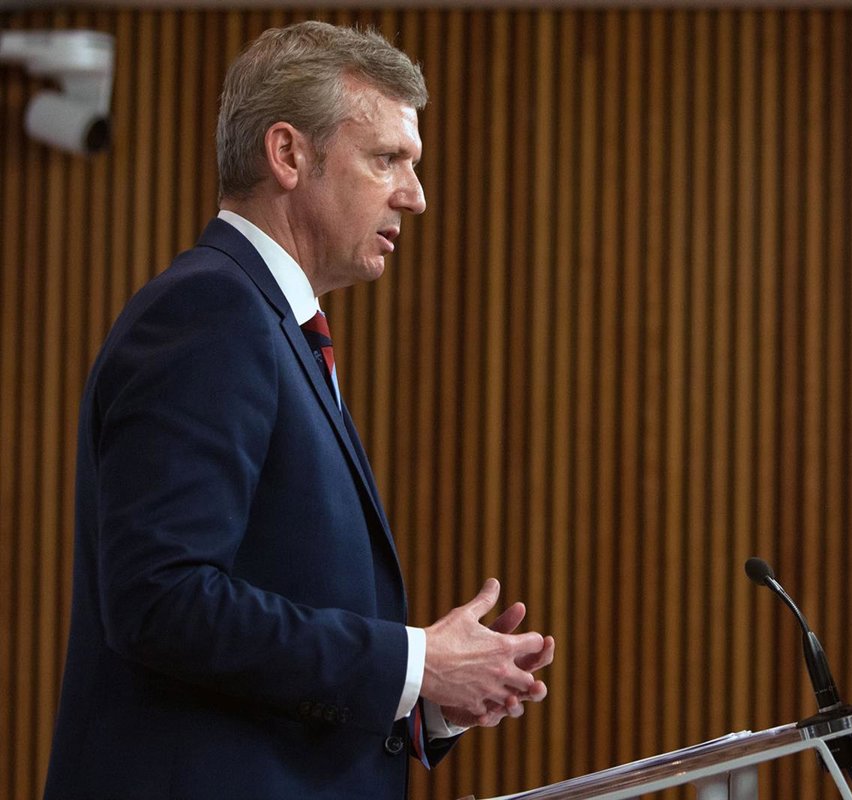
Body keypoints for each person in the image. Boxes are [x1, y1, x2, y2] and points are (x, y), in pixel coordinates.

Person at [43, 21, 554, 800]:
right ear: (288, 155)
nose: (416, 196)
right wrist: (412, 661)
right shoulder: (211, 312)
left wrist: (422, 696)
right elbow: (162, 600)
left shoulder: (270, 323)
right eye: (386, 159)